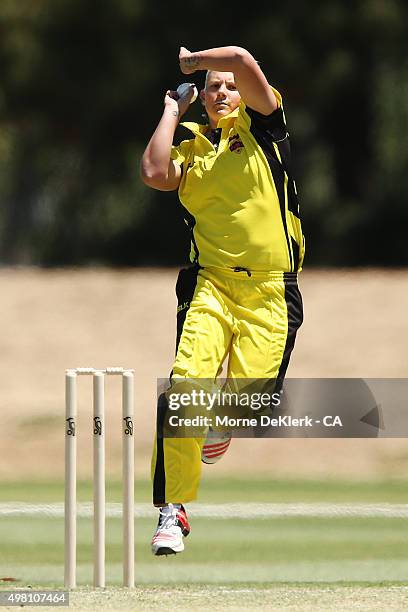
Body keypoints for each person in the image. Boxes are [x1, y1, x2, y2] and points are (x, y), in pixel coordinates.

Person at [140, 45, 305, 556]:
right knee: (185, 385)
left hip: (272, 290)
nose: (223, 92)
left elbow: (242, 59)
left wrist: (196, 62)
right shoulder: (191, 145)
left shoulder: (264, 129)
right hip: (210, 284)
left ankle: (225, 420)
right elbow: (153, 172)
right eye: (214, 87)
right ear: (204, 99)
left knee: (250, 406)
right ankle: (173, 510)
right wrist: (172, 111)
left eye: (228, 85)